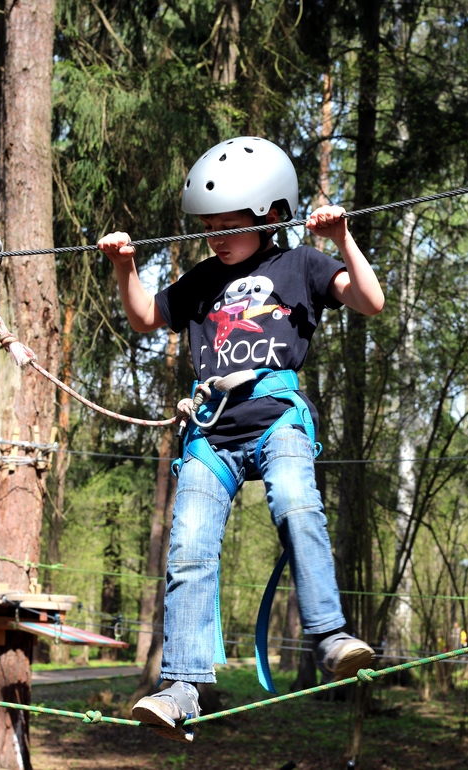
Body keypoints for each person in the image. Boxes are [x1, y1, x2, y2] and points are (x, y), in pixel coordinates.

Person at [98, 136, 384, 743]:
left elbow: (370, 301)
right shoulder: (202, 279)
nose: (218, 238)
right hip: (211, 433)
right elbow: (146, 317)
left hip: (277, 416)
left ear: (272, 215)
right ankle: (182, 686)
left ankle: (330, 635)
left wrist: (342, 241)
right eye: (210, 228)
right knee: (189, 548)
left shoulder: (302, 265)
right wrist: (125, 265)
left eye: (231, 226)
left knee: (297, 502)